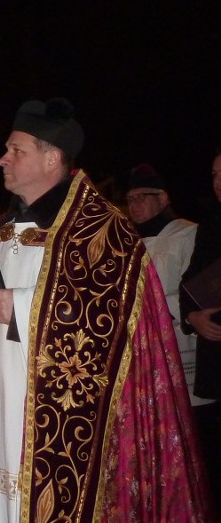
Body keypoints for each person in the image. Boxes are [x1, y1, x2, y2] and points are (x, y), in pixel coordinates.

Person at [0, 98, 210, 522]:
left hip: (73, 430)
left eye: (16, 151)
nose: (2, 159)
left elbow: (110, 312)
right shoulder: (1, 232)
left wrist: (25, 305)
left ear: (51, 158)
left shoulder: (101, 230)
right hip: (8, 417)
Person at [125, 164, 208, 405]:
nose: (133, 205)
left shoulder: (189, 234)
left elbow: (193, 292)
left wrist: (150, 304)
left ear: (162, 198)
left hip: (180, 339)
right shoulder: (131, 242)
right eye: (129, 200)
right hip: (143, 343)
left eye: (140, 198)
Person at [179, 148, 221, 508]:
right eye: (214, 175)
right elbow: (189, 283)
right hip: (216, 361)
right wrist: (192, 318)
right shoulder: (211, 225)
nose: (219, 183)